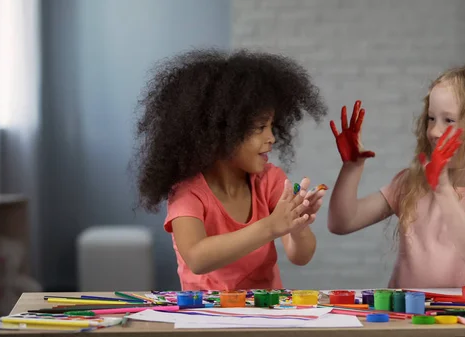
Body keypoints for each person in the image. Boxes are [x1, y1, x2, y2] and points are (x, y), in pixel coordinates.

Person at [327, 60, 465, 288]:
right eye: (431, 119)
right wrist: (352, 167)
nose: (434, 132)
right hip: (404, 318)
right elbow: (342, 222)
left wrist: (443, 190)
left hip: (457, 320)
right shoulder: (412, 183)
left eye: (448, 120)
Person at [133, 48, 328, 291]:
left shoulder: (270, 180)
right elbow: (197, 258)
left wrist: (297, 227)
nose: (271, 138)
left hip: (264, 316)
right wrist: (270, 226)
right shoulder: (188, 192)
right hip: (205, 318)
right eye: (259, 128)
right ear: (222, 132)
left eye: (271, 126)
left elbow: (301, 256)